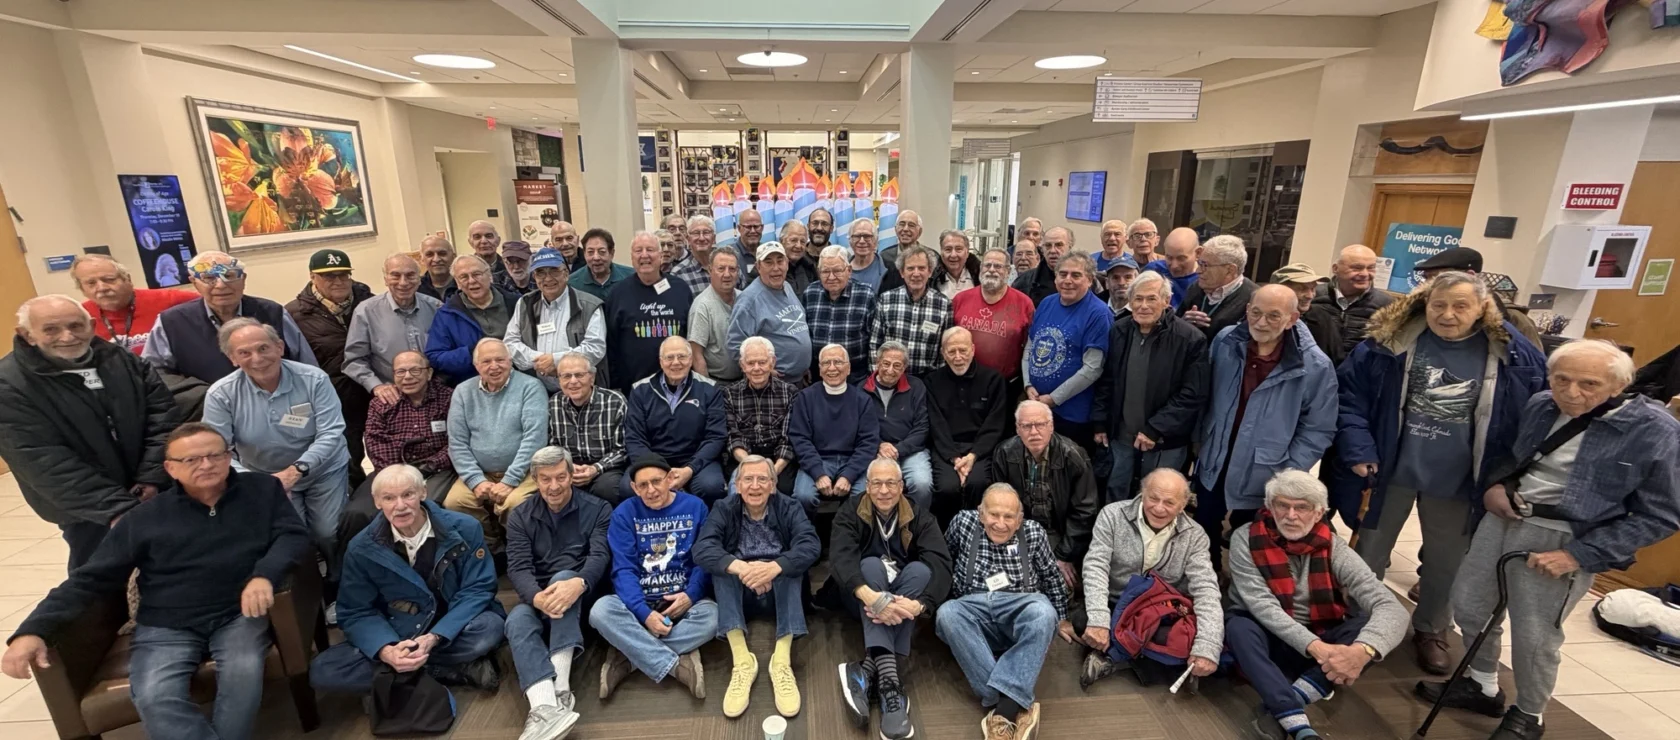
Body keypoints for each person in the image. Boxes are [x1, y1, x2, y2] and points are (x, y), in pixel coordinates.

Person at [1417, 340, 1680, 740]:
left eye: (1589, 384)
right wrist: (1496, 486)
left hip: (1565, 536)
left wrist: (1579, 554)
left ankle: (1530, 713)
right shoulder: (1541, 404)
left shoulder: (1655, 429)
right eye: (1562, 380)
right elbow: (1513, 456)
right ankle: (1482, 684)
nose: (1572, 393)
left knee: (1535, 633)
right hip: (1504, 516)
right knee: (1469, 605)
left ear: (1619, 384)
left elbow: (1662, 514)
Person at [0, 422, 307, 740]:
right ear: (170, 469)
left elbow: (292, 535)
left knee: (244, 673)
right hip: (167, 623)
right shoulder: (145, 518)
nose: (206, 464)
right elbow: (90, 578)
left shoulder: (261, 490)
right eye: (191, 460)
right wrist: (34, 629)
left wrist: (264, 575)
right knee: (154, 694)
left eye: (215, 455)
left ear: (229, 457)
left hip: (238, 613)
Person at [1333, 271, 1548, 674]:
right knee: (1369, 552)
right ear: (1424, 305)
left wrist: (1503, 477)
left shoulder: (1514, 356)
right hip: (1389, 469)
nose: (1447, 315)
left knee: (1446, 562)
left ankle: (1431, 629)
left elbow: (1530, 422)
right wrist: (1359, 449)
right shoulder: (1387, 343)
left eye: (1460, 306)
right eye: (1438, 305)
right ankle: (1361, 621)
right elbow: (1349, 397)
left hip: (1461, 479)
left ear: (1483, 308)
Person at [0, 295, 179, 571]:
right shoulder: (10, 386)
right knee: (100, 587)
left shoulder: (122, 360)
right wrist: (116, 507)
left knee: (168, 572)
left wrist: (151, 479)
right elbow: (42, 461)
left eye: (76, 325)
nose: (67, 336)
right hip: (88, 513)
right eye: (51, 329)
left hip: (148, 492)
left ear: (92, 324)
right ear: (27, 335)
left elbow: (163, 419)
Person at [1226, 470, 1407, 740]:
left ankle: (1288, 704)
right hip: (1270, 634)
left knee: (1371, 628)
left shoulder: (1335, 547)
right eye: (1282, 505)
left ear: (1319, 512)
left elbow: (1393, 609)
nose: (1290, 515)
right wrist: (1317, 649)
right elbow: (1263, 607)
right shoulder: (1245, 538)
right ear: (1269, 506)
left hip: (1320, 633)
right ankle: (1299, 724)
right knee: (1238, 626)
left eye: (1302, 508)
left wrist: (1362, 651)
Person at [311, 464, 505, 695]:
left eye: (407, 495)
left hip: (451, 627)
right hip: (398, 631)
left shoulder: (465, 527)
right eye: (389, 498)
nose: (400, 506)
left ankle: (401, 677)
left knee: (490, 629)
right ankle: (446, 670)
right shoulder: (361, 547)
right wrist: (386, 650)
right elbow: (355, 611)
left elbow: (478, 589)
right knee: (323, 670)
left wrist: (434, 637)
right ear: (377, 502)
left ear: (423, 493)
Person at [1194, 285, 1336, 565]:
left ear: (1292, 319)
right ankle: (1207, 581)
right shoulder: (1225, 342)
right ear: (1247, 310)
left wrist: (1289, 469)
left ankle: (1244, 591)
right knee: (1204, 529)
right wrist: (1199, 441)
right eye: (1256, 313)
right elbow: (1204, 395)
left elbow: (1319, 428)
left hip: (1268, 470)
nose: (1261, 322)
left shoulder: (1315, 365)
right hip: (1216, 457)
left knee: (1255, 538)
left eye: (1273, 316)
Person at [203, 318, 349, 575]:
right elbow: (218, 451)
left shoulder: (314, 379)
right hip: (265, 478)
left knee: (328, 532)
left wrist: (295, 471)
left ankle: (338, 579)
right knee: (293, 536)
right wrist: (260, 481)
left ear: (279, 347)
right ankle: (306, 592)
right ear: (232, 359)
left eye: (263, 348)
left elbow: (331, 432)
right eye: (244, 353)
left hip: (322, 470)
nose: (257, 359)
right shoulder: (221, 394)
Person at [830, 457, 952, 740]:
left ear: (902, 486)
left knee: (921, 570)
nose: (884, 490)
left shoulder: (920, 516)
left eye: (890, 483)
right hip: (859, 597)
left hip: (901, 599)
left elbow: (942, 564)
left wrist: (919, 605)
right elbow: (839, 558)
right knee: (870, 564)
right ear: (867, 486)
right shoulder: (850, 511)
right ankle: (891, 687)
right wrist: (870, 597)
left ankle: (869, 670)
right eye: (877, 483)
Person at [936, 483, 1071, 739]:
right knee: (946, 613)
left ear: (1020, 520)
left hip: (1018, 609)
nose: (1000, 523)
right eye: (994, 514)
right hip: (972, 610)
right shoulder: (963, 524)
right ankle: (1011, 703)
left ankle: (1002, 710)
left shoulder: (1033, 533)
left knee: (1044, 612)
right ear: (980, 513)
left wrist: (1061, 618)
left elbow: (1051, 576)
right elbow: (944, 561)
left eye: (1009, 517)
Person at [693, 454, 819, 719]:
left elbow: (810, 546)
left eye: (763, 479)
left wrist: (773, 568)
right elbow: (703, 549)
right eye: (748, 479)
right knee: (723, 568)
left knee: (790, 566)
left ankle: (781, 661)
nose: (755, 486)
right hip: (741, 590)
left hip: (781, 591)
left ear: (773, 485)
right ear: (737, 485)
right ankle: (742, 662)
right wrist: (743, 568)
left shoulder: (790, 506)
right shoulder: (723, 508)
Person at [504, 446, 613, 740]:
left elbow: (600, 556)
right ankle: (545, 706)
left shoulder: (599, 508)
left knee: (566, 578)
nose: (554, 487)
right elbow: (518, 568)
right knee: (516, 618)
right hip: (539, 597)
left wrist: (578, 583)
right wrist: (537, 598)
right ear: (535, 480)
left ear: (570, 475)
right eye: (545, 479)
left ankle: (561, 687)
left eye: (560, 477)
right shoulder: (520, 516)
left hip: (584, 597)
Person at [1079, 469, 1221, 689]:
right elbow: (1095, 566)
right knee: (1084, 619)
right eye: (1153, 498)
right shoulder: (1112, 515)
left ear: (1184, 505)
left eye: (1169, 502)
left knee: (1186, 635)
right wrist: (1098, 618)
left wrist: (1208, 645)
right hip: (1116, 600)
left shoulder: (1196, 535)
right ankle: (1155, 662)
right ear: (1142, 493)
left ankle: (1113, 656)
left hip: (1158, 610)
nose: (1159, 508)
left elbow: (1206, 589)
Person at [590, 454, 717, 700]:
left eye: (657, 481)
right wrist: (643, 613)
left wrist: (690, 596)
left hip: (681, 601)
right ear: (635, 488)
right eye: (643, 485)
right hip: (638, 603)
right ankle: (677, 665)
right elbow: (623, 569)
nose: (651, 490)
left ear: (670, 479)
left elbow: (705, 558)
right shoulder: (624, 513)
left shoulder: (695, 507)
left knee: (714, 617)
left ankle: (628, 657)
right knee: (600, 611)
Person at [1092, 272, 1209, 503]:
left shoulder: (1190, 339)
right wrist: (1100, 421)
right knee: (1115, 492)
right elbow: (1107, 380)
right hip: (1121, 435)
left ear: (1166, 301)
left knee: (1158, 498)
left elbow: (1192, 394)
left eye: (1152, 299)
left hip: (1164, 441)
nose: (1143, 306)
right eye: (1138, 299)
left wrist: (1155, 428)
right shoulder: (1119, 330)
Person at [143, 251, 317, 385]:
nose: (220, 285)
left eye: (230, 276)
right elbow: (154, 373)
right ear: (194, 282)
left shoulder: (273, 312)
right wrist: (197, 394)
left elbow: (308, 366)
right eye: (209, 278)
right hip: (205, 415)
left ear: (243, 279)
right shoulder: (172, 322)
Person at [341, 351, 456, 551]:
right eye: (400, 372)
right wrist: (398, 473)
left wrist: (429, 466)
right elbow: (375, 442)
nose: (408, 377)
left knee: (426, 506)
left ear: (429, 373)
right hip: (391, 470)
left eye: (415, 370)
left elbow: (457, 441)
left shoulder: (448, 398)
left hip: (436, 469)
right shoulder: (382, 402)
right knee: (357, 512)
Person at [444, 338, 549, 551]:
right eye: (486, 361)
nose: (494, 366)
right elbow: (457, 442)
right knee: (455, 503)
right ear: (476, 366)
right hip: (480, 472)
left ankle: (518, 550)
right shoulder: (463, 391)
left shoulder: (530, 387)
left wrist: (510, 479)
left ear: (510, 361)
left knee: (515, 504)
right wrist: (475, 480)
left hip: (524, 472)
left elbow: (535, 439)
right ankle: (489, 547)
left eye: (500, 359)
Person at [287, 248, 376, 488]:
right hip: (334, 399)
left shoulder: (370, 304)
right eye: (328, 276)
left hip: (375, 393)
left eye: (343, 274)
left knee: (386, 455)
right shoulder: (294, 314)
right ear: (312, 277)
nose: (337, 281)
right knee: (347, 459)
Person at [992, 400, 1100, 591]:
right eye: (1026, 426)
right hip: (1019, 529)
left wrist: (1063, 556)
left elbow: (1085, 512)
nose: (1034, 432)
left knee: (1058, 583)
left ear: (1051, 426)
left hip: (1057, 532)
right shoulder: (1004, 453)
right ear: (1017, 429)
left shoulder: (1073, 456)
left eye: (1040, 424)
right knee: (1004, 581)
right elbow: (998, 504)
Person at [1024, 251, 1111, 458]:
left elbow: (1093, 368)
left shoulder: (1098, 314)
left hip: (1072, 415)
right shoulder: (1047, 303)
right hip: (1038, 406)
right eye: (1062, 274)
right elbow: (1030, 348)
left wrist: (1053, 399)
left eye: (1076, 275)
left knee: (1067, 472)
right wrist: (1028, 384)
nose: (1068, 281)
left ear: (1090, 280)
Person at [623, 336, 729, 504]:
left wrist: (690, 469)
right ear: (660, 361)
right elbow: (634, 438)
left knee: (711, 487)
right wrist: (656, 472)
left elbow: (716, 436)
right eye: (669, 357)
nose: (676, 362)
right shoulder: (640, 390)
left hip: (696, 460)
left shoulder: (709, 389)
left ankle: (703, 528)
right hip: (653, 460)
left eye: (682, 356)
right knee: (628, 488)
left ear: (691, 359)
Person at [788, 344, 881, 515]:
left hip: (853, 461)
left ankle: (852, 538)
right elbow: (800, 439)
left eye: (838, 362)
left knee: (863, 497)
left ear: (848, 368)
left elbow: (868, 442)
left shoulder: (862, 400)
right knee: (803, 496)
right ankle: (808, 538)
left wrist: (849, 475)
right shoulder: (805, 398)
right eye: (826, 363)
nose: (832, 368)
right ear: (820, 369)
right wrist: (818, 473)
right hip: (817, 459)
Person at [927, 327, 1009, 512]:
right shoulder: (932, 381)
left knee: (978, 484)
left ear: (972, 349)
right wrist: (955, 459)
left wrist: (973, 456)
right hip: (947, 449)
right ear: (942, 353)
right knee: (947, 488)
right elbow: (936, 425)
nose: (958, 357)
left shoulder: (993, 379)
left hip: (980, 449)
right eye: (951, 351)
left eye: (963, 350)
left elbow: (995, 424)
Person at [507, 247, 608, 394]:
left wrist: (556, 360)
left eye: (554, 271)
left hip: (581, 391)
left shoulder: (589, 305)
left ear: (566, 274)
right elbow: (510, 343)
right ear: (534, 277)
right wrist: (539, 360)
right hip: (537, 391)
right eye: (541, 273)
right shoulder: (524, 303)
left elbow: (595, 347)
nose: (548, 279)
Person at [344, 254, 442, 404]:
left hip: (435, 396)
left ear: (419, 279)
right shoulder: (366, 312)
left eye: (410, 275)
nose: (403, 282)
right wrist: (376, 386)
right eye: (395, 276)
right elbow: (354, 360)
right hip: (391, 399)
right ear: (385, 279)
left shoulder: (436, 308)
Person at [604, 231, 693, 394]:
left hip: (678, 383)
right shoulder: (618, 294)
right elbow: (611, 344)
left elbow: (690, 335)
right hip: (633, 389)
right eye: (639, 250)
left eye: (650, 250)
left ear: (660, 255)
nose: (644, 255)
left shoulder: (680, 289)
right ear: (632, 257)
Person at [1412, 246, 1545, 348]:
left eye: (1437, 277)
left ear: (1470, 275)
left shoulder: (1514, 319)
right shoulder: (1420, 312)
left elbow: (1533, 372)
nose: (1428, 284)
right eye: (1426, 278)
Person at [547, 351, 630, 505]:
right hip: (569, 466)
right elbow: (553, 446)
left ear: (592, 377)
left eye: (579, 375)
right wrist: (569, 468)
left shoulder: (615, 401)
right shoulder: (554, 404)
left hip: (606, 466)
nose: (573, 381)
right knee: (552, 488)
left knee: (607, 489)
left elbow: (623, 449)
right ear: (559, 381)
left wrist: (596, 468)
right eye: (566, 376)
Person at [72, 254, 197, 354]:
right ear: (82, 289)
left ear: (128, 279)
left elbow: (213, 303)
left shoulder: (169, 299)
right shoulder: (79, 315)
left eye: (109, 280)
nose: (102, 287)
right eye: (91, 283)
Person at [425, 254, 523, 382]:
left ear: (490, 276)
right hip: (473, 385)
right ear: (458, 283)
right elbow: (436, 357)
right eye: (464, 277)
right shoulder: (447, 314)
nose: (471, 281)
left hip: (519, 380)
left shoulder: (517, 303)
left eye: (477, 274)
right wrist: (473, 352)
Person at [727, 242, 813, 382]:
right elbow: (735, 345)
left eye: (780, 261)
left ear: (787, 264)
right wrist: (766, 371)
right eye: (768, 262)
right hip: (772, 383)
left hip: (798, 379)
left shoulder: (786, 286)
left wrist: (802, 365)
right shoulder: (749, 300)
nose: (776, 268)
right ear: (758, 267)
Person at [864, 342, 934, 509]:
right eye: (886, 364)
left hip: (911, 451)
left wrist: (898, 450)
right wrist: (879, 445)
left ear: (904, 368)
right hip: (874, 451)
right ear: (877, 362)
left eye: (897, 365)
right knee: (862, 486)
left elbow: (922, 427)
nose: (890, 370)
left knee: (922, 484)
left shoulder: (916, 387)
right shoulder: (862, 389)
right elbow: (860, 429)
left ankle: (917, 526)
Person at [723, 337, 798, 493]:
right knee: (737, 491)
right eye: (750, 363)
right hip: (742, 458)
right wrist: (753, 468)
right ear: (742, 366)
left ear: (772, 363)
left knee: (782, 493)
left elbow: (790, 439)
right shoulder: (730, 393)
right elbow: (733, 437)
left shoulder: (790, 392)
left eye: (762, 362)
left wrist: (772, 471)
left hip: (779, 460)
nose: (756, 368)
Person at [954, 247, 1035, 388]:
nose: (991, 270)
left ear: (1008, 271)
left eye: (998, 266)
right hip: (963, 381)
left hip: (1006, 384)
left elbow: (1030, 347)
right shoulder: (960, 299)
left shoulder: (1024, 303)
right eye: (987, 265)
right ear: (981, 268)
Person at [869, 244, 953, 376]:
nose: (916, 273)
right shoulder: (886, 300)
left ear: (930, 272)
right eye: (910, 268)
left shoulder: (943, 304)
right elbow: (875, 343)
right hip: (891, 377)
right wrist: (878, 375)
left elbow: (945, 349)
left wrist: (939, 380)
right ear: (902, 272)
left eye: (921, 268)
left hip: (926, 380)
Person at [804, 245, 876, 383]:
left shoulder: (866, 295)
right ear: (819, 272)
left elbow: (874, 341)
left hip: (855, 376)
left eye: (837, 270)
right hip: (819, 374)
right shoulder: (810, 293)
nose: (831, 277)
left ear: (849, 270)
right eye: (825, 271)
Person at [1313, 244, 1395, 360]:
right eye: (1357, 268)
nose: (1365, 274)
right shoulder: (1313, 297)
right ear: (1335, 268)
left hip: (1357, 375)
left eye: (1371, 268)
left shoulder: (1387, 305)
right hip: (1316, 372)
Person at [1178, 234, 1258, 342]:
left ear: (1230, 270)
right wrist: (1182, 324)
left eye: (1205, 265)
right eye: (1199, 263)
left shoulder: (1255, 299)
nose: (1198, 271)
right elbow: (1172, 332)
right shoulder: (1196, 287)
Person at [1268, 263, 1344, 366]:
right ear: (1279, 289)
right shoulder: (1260, 318)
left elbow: (1336, 361)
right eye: (1302, 289)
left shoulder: (1322, 318)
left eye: (1313, 289)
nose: (1310, 295)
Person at [688, 245, 744, 383]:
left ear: (738, 272)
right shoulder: (702, 306)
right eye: (721, 269)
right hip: (717, 383)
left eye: (732, 269)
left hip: (747, 381)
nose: (727, 274)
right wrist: (708, 391)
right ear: (710, 270)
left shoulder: (745, 300)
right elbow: (696, 355)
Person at [568, 228, 635, 301]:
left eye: (601, 252)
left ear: (611, 253)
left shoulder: (631, 277)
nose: (596, 257)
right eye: (590, 252)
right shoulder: (572, 283)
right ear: (584, 254)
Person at [1142, 227, 1200, 309]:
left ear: (1198, 253)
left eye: (1181, 258)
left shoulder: (1205, 278)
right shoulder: (1154, 271)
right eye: (1169, 258)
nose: (1174, 265)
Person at [669, 215, 717, 296]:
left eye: (706, 232)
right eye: (696, 233)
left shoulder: (727, 266)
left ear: (714, 238)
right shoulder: (678, 274)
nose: (701, 238)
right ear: (688, 239)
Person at [849, 218, 901, 292]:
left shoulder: (892, 270)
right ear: (850, 241)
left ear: (876, 240)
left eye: (867, 236)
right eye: (857, 236)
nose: (862, 241)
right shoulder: (840, 269)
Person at [933, 230, 980, 299]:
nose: (953, 255)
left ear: (967, 253)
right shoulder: (932, 278)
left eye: (959, 249)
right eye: (948, 249)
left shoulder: (979, 275)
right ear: (941, 253)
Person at [777, 220, 820, 295]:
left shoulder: (810, 267)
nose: (798, 246)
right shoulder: (770, 267)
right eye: (793, 240)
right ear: (781, 241)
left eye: (803, 241)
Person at [1010, 238, 1054, 305]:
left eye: (1029, 254)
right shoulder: (1005, 274)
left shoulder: (1045, 278)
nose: (1023, 258)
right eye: (1019, 254)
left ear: (1038, 258)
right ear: (1013, 258)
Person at [418, 235, 460, 302]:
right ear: (422, 260)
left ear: (453, 257)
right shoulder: (416, 288)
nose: (436, 259)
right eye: (429, 254)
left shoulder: (465, 284)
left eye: (442, 253)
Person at [736, 208, 764, 274]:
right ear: (739, 228)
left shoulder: (768, 252)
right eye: (748, 227)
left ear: (762, 228)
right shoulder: (729, 254)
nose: (753, 231)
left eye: (756, 226)